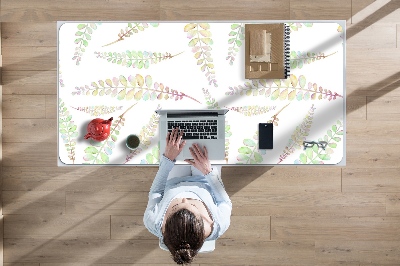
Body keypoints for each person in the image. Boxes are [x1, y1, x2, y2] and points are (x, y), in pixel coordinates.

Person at [144, 127, 232, 264]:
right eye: (192, 205)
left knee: (173, 142)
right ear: (204, 222)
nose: (184, 198)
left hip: (173, 181)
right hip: (205, 180)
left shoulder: (153, 222)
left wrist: (168, 159)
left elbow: (156, 192)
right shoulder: (220, 224)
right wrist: (208, 171)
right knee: (208, 137)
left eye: (176, 206)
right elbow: (224, 202)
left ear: (165, 224)